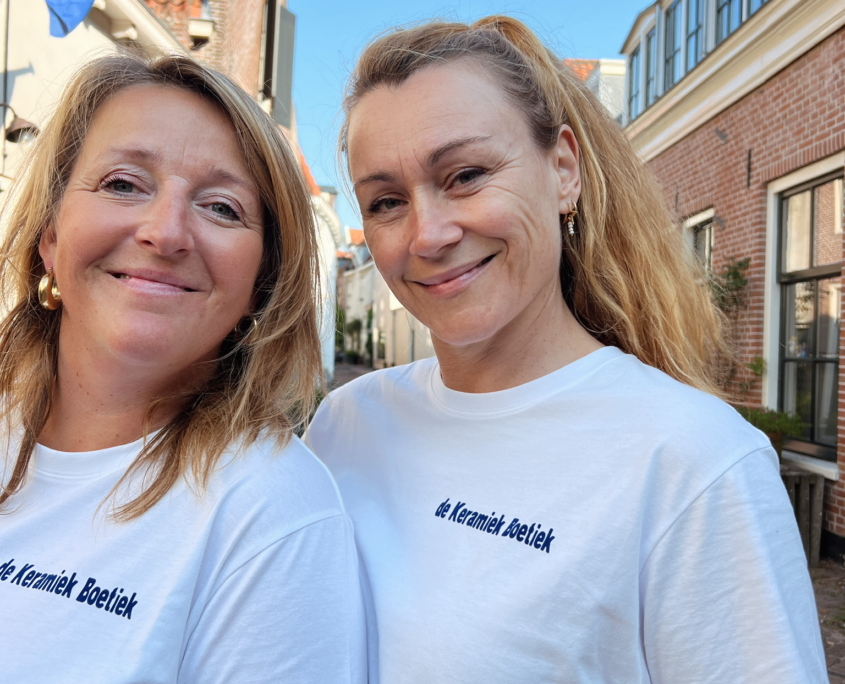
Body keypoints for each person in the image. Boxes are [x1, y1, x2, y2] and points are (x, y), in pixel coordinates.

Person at [306, 15, 827, 684]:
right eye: (384, 201)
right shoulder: (345, 423)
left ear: (562, 171)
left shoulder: (692, 463)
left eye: (464, 174)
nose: (427, 234)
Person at [0, 54, 366, 683]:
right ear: (51, 237)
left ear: (261, 282)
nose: (165, 233)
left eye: (222, 208)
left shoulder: (272, 517)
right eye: (123, 183)